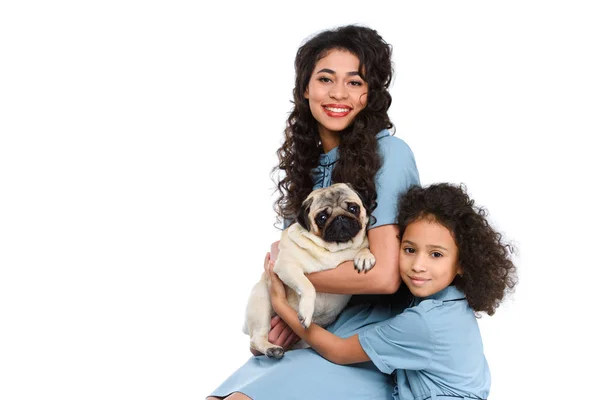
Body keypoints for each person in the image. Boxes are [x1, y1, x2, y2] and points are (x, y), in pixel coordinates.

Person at [207, 24, 420, 399]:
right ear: (305, 88)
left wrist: (287, 286)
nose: (339, 93)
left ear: (371, 93)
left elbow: (384, 277)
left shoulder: (391, 154)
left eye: (355, 82)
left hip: (370, 338)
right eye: (325, 79)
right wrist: (287, 313)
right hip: (315, 325)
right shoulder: (307, 163)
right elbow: (284, 255)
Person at [266, 183, 518, 399]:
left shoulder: (425, 322)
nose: (418, 266)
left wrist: (281, 305)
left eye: (436, 255)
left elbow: (339, 351)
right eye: (409, 250)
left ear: (462, 263)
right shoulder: (450, 302)